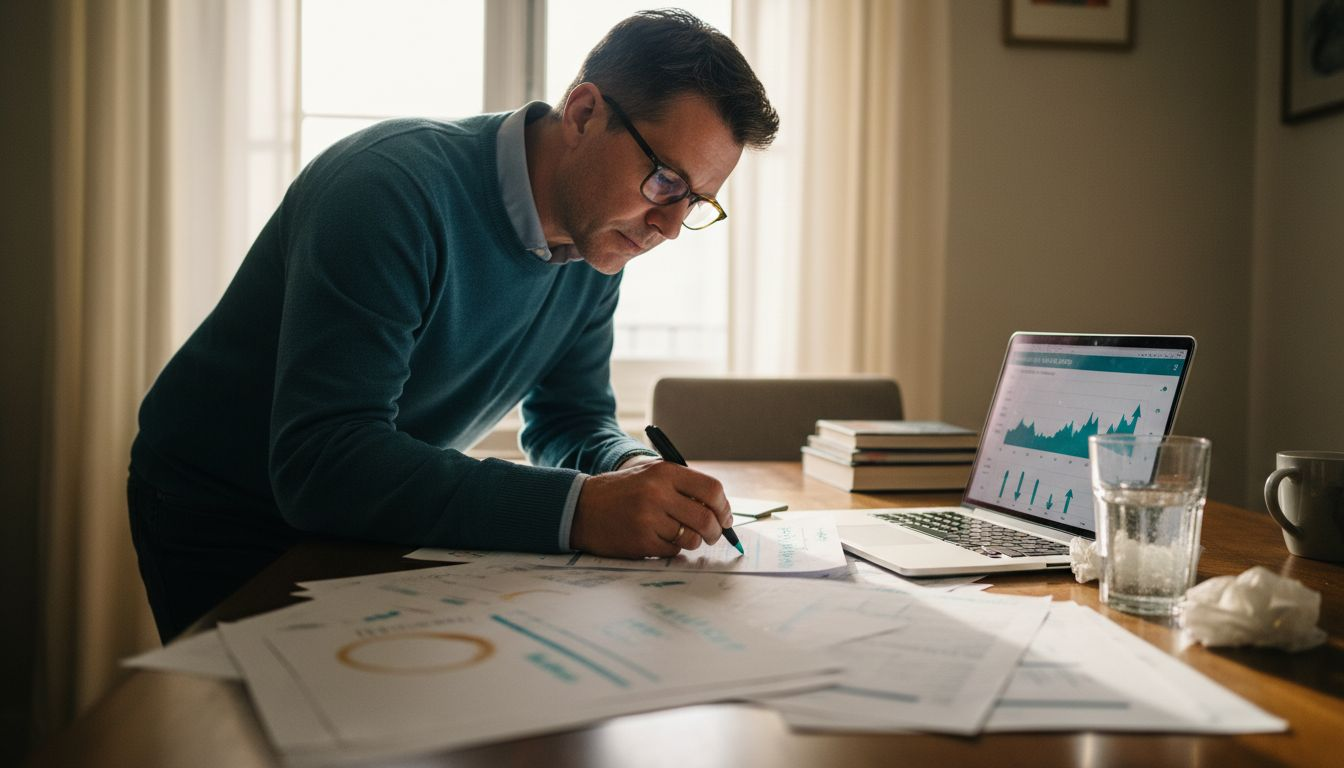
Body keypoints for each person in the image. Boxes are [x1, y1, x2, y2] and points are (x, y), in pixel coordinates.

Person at [127, 9, 779, 641]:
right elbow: (323, 461)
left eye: (695, 201)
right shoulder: (387, 192)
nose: (669, 227)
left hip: (359, 509)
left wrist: (633, 471)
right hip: (221, 507)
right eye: (665, 181)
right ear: (584, 114)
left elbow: (570, 422)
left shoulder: (599, 240)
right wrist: (581, 508)